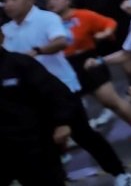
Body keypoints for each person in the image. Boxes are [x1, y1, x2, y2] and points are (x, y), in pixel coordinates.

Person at [1, 0, 131, 185]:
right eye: (6, 0)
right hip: (30, 99)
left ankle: (119, 172)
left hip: (61, 91)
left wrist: (37, 51)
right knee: (43, 144)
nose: (8, 4)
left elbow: (61, 41)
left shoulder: (47, 18)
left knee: (84, 135)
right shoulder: (6, 30)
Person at [43, 0, 131, 145]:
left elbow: (109, 22)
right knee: (67, 109)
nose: (51, 2)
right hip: (63, 64)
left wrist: (105, 32)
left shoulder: (83, 15)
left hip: (88, 61)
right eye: (49, 0)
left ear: (67, 0)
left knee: (110, 101)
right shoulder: (47, 22)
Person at [0, 33, 89, 186]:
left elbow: (55, 93)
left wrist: (62, 123)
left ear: (1, 37)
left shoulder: (20, 63)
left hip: (34, 143)